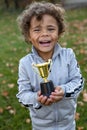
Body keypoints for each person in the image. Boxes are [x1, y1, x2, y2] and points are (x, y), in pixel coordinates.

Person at [16, 1, 84, 130]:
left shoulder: (68, 55)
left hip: (67, 124)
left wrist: (63, 91)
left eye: (51, 29)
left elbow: (78, 82)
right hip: (41, 126)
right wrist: (37, 98)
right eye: (37, 29)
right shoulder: (25, 63)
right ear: (29, 36)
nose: (45, 33)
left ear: (59, 33)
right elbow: (23, 95)